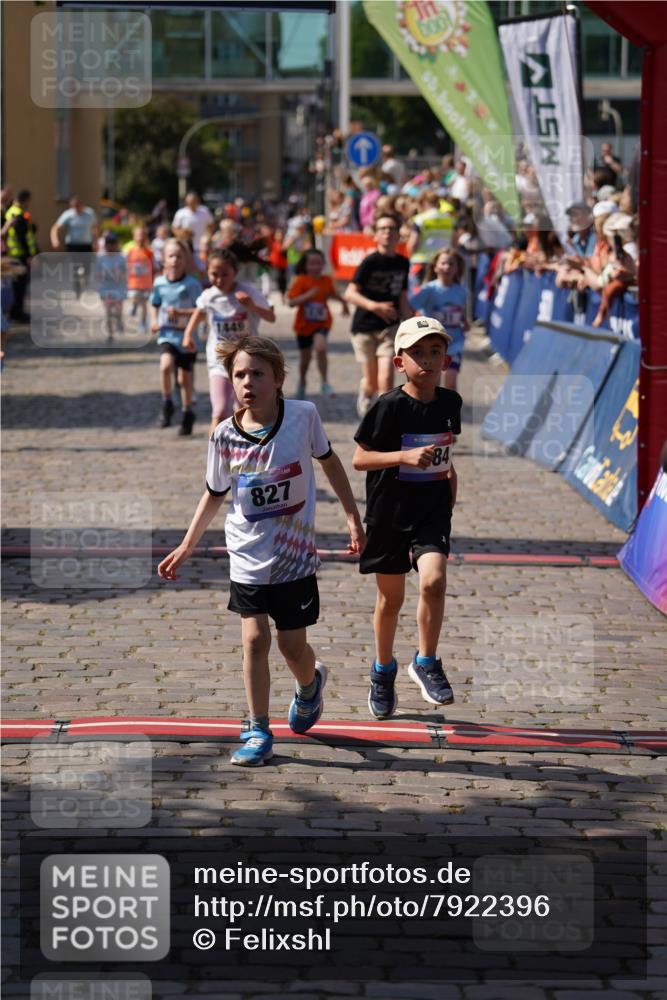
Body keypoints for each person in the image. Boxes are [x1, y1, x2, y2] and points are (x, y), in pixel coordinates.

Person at [157, 334, 366, 766]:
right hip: (247, 556)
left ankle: (310, 686)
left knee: (292, 647)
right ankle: (258, 728)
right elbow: (214, 494)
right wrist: (187, 544)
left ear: (278, 378)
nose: (247, 382)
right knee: (254, 640)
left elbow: (329, 462)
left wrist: (352, 516)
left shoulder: (304, 416)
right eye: (239, 374)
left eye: (257, 373)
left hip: (293, 559)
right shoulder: (222, 437)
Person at [352, 316, 461, 720]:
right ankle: (382, 671)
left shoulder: (451, 403)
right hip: (389, 513)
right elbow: (360, 459)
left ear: (446, 359)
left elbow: (446, 452)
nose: (427, 360)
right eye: (418, 353)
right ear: (400, 362)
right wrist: (402, 457)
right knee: (390, 600)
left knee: (433, 580)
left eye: (435, 352)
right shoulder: (388, 406)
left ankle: (427, 660)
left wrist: (451, 480)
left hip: (431, 510)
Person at [181, 248, 275, 436]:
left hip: (246, 362)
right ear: (207, 272)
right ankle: (214, 459)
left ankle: (244, 452)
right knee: (220, 410)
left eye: (225, 274)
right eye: (214, 274)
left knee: (244, 410)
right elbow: (199, 313)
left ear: (235, 272)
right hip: (219, 361)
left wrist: (252, 306)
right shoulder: (209, 295)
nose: (220, 279)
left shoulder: (247, 292)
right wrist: (188, 335)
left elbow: (271, 317)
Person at [344, 213, 412, 417]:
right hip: (364, 327)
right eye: (383, 229)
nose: (388, 232)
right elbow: (349, 293)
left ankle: (384, 419)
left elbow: (402, 296)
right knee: (371, 382)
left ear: (398, 234)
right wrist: (375, 306)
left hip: (390, 327)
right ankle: (366, 395)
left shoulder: (403, 263)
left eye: (392, 228)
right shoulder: (369, 262)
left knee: (387, 379)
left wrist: (412, 323)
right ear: (375, 235)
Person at [150, 238, 202, 435]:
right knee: (165, 365)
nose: (175, 260)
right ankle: (167, 402)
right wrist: (154, 321)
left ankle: (187, 412)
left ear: (186, 260)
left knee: (184, 378)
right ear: (164, 260)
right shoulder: (159, 283)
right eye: (171, 256)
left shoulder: (192, 284)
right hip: (167, 335)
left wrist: (181, 313)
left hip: (187, 338)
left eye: (179, 256)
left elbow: (201, 310)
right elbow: (154, 303)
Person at [287, 248, 348, 400]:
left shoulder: (326, 280)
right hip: (303, 326)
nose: (316, 267)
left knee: (321, 347)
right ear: (305, 265)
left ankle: (325, 382)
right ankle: (302, 382)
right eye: (312, 263)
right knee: (305, 360)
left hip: (322, 323)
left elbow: (333, 294)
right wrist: (308, 295)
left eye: (319, 263)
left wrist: (343, 304)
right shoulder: (301, 281)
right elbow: (291, 302)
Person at [409, 249, 468, 392]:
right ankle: (433, 413)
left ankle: (450, 413)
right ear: (435, 267)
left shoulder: (462, 291)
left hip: (455, 343)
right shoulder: (429, 290)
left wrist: (464, 322)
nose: (447, 267)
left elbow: (462, 313)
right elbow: (411, 307)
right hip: (433, 345)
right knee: (433, 384)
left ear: (456, 268)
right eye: (443, 263)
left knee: (451, 384)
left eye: (451, 264)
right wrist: (417, 325)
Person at [50, 195, 99, 297]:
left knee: (87, 266)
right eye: (74, 207)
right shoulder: (68, 215)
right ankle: (78, 290)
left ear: (82, 205)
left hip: (86, 245)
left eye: (78, 206)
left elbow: (95, 228)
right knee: (75, 268)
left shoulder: (89, 213)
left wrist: (96, 241)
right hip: (73, 245)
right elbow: (55, 228)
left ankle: (85, 277)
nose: (76, 209)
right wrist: (55, 240)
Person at [4, 189, 37, 322]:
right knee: (20, 285)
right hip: (19, 254)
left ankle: (15, 311)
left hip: (14, 253)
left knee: (17, 284)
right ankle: (17, 313)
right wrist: (29, 255)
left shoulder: (12, 211)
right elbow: (22, 237)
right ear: (25, 199)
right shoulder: (17, 214)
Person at [95, 231, 127, 340]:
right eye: (109, 243)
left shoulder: (121, 258)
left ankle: (119, 320)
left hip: (118, 288)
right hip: (105, 288)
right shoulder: (100, 258)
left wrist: (119, 274)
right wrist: (105, 274)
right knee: (108, 311)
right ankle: (110, 334)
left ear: (117, 244)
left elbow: (126, 274)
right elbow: (96, 275)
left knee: (118, 310)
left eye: (113, 243)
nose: (111, 246)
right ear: (105, 245)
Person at [124, 226, 153, 334]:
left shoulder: (149, 251)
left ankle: (143, 323)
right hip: (133, 281)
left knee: (145, 304)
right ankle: (134, 305)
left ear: (145, 237)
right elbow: (125, 264)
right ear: (134, 237)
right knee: (134, 297)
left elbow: (153, 265)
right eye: (138, 236)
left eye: (142, 236)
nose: (140, 238)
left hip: (146, 282)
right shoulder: (130, 250)